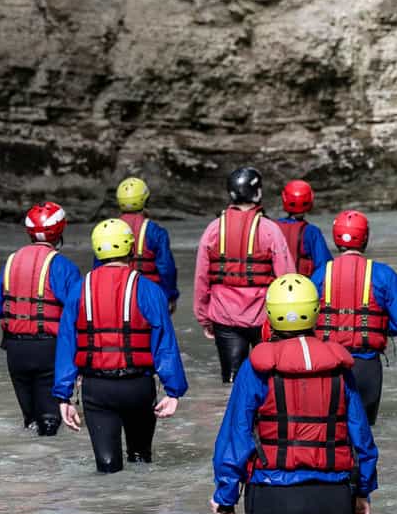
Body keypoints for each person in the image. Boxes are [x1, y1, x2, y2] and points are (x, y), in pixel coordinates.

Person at [212, 274, 378, 514]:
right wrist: (363, 490)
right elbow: (362, 439)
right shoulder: (339, 368)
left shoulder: (255, 368)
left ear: (270, 313)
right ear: (315, 311)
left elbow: (236, 438)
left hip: (274, 497)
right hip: (332, 499)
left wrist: (225, 501)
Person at [53, 218, 189, 474]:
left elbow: (66, 346)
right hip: (137, 388)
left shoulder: (78, 290)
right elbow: (165, 344)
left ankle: (110, 511)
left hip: (97, 390)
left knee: (107, 469)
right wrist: (173, 391)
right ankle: (144, 511)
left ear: (96, 249)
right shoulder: (149, 290)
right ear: (130, 247)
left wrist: (64, 396)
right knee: (140, 461)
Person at [194, 166, 296, 383]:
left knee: (231, 384)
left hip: (224, 317)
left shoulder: (213, 229)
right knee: (269, 381)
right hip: (264, 318)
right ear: (257, 193)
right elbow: (287, 279)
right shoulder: (270, 229)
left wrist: (204, 318)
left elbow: (201, 279)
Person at [309, 210, 397, 420]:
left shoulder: (320, 274)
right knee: (366, 435)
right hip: (366, 365)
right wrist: (376, 326)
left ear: (336, 238)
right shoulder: (384, 274)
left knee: (331, 431)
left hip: (328, 364)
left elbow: (308, 320)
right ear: (365, 237)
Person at [0, 201, 80, 435]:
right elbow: (78, 312)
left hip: (16, 350)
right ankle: (49, 467)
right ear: (60, 230)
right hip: (49, 350)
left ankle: (29, 467)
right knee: (51, 421)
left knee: (31, 421)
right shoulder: (63, 267)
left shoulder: (11, 262)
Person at [113, 175, 180, 312]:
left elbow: (98, 268)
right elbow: (166, 268)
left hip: (117, 294)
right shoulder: (156, 232)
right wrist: (171, 296)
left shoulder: (108, 231)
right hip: (149, 295)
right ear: (145, 201)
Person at [273, 180, 333, 278]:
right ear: (310, 200)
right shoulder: (312, 232)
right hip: (302, 288)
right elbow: (324, 267)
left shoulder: (272, 227)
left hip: (275, 286)